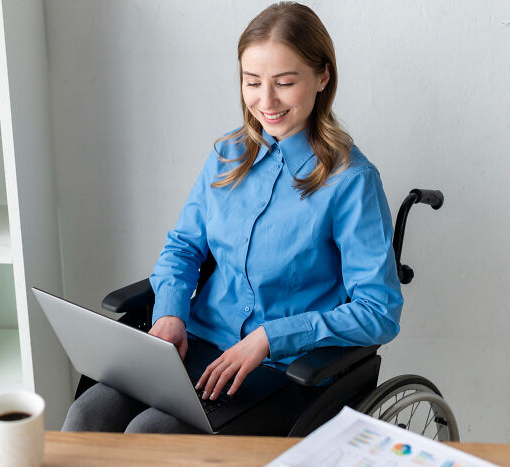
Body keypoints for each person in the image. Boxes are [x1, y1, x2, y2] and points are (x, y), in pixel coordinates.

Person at [62, 1, 403, 434]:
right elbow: (183, 248)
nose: (266, 101)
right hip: (198, 342)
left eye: (284, 82)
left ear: (322, 76)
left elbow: (379, 312)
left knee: (148, 436)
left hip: (282, 370)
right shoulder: (228, 155)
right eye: (252, 82)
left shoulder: (351, 182)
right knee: (86, 416)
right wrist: (169, 314)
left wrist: (270, 337)